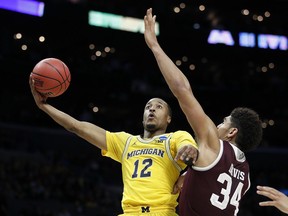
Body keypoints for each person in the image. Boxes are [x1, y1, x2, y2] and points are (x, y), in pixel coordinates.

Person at [144, 8, 263, 216]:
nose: (217, 125)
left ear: (232, 132)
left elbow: (182, 91)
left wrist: (154, 46)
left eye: (223, 122)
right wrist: (187, 176)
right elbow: (210, 185)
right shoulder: (245, 175)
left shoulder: (214, 145)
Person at [29, 76, 198, 216]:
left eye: (158, 107)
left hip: (161, 212)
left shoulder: (175, 138)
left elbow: (194, 152)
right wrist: (44, 106)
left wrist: (189, 154)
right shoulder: (126, 142)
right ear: (143, 117)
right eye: (148, 107)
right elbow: (76, 126)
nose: (152, 110)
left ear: (168, 119)